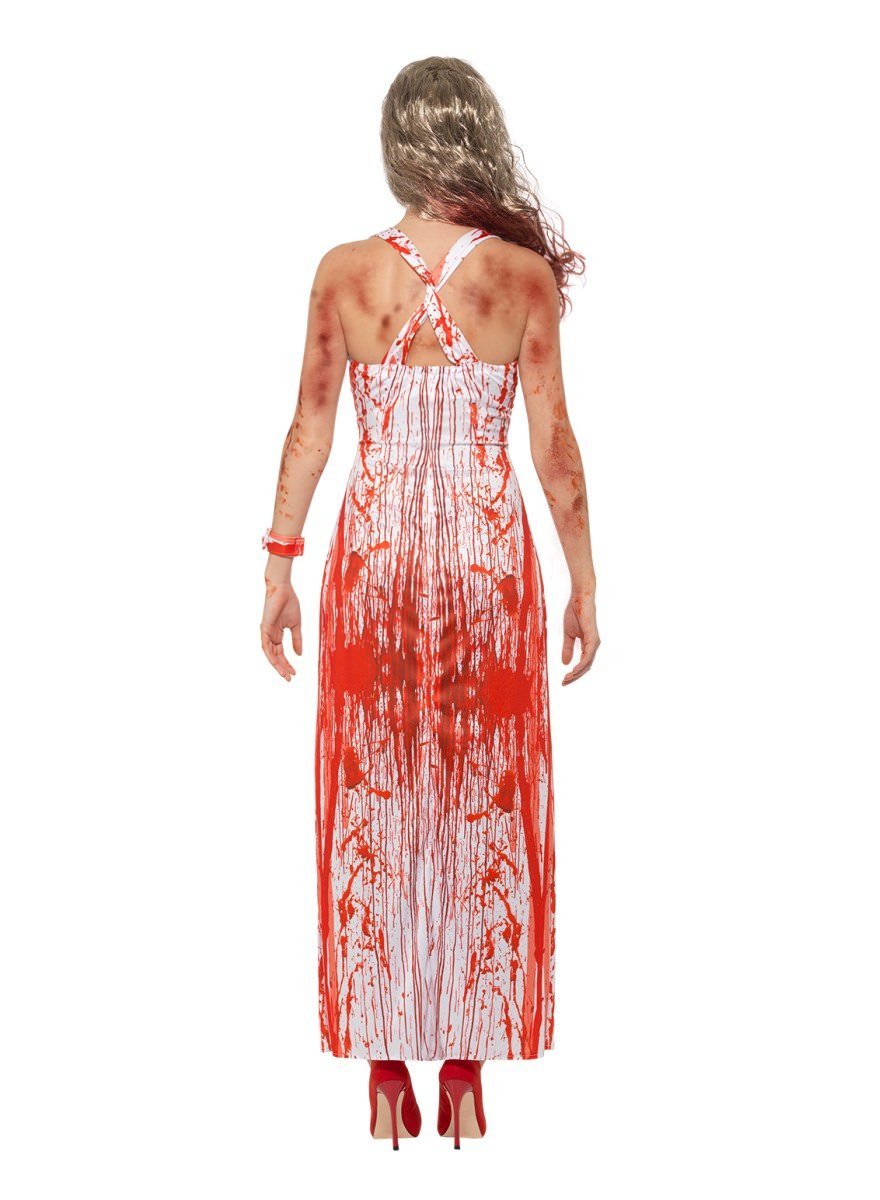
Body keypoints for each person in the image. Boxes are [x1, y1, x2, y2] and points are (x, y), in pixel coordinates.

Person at [260, 56, 599, 1149]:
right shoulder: (521, 280)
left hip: (377, 557)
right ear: (479, 136)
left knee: (373, 791)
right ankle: (463, 1068)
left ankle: (383, 1072)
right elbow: (553, 448)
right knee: (482, 792)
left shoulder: (347, 273)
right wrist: (585, 577)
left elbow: (312, 427)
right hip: (487, 556)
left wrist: (279, 562)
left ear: (396, 146)